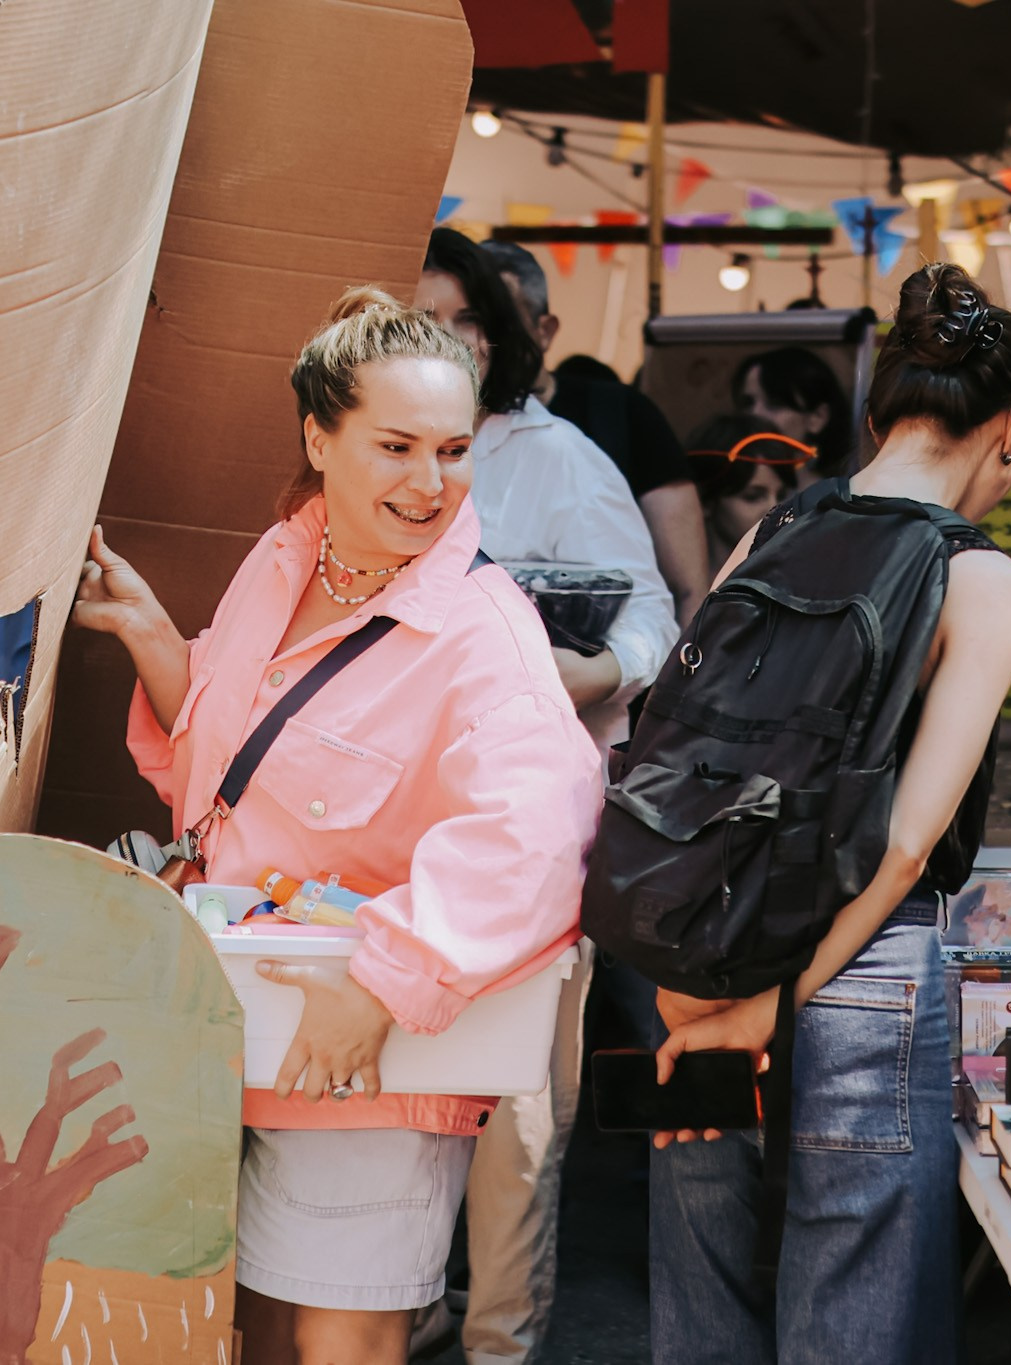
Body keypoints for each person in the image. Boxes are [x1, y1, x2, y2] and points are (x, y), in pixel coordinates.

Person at [74, 287, 601, 1363]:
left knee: (342, 1349)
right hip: (239, 1040)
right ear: (319, 437)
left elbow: (535, 846)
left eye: (453, 450)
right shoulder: (283, 558)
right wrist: (152, 638)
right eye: (395, 446)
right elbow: (233, 772)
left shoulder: (481, 631)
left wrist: (380, 987)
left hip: (364, 1071)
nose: (429, 483)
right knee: (256, 1339)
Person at [649, 263, 1011, 1365]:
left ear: (877, 411)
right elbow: (910, 834)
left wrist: (711, 993)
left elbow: (676, 753)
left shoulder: (765, 537)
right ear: (1007, 426)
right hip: (858, 970)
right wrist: (783, 1001)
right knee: (854, 1307)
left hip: (701, 951)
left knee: (702, 1283)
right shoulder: (981, 580)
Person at [416, 228, 678, 1365]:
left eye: (452, 325)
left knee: (519, 1112)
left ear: (494, 335)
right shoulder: (364, 461)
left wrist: (581, 674)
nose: (432, 348)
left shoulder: (554, 455)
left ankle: (496, 1342)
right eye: (407, 327)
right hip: (394, 831)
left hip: (530, 829)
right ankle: (408, 1306)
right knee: (401, 1104)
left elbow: (652, 621)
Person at [478, 240, 708, 626]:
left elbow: (688, 587)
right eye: (471, 320)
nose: (485, 340)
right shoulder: (444, 432)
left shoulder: (623, 414)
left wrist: (677, 681)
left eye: (503, 322)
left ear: (545, 330)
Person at [683, 415, 812, 580]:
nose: (776, 509)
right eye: (753, 497)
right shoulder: (672, 587)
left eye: (782, 495)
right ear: (705, 502)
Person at [732, 345, 854, 479]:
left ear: (818, 417)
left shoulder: (832, 496)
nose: (755, 414)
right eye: (748, 403)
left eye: (774, 404)